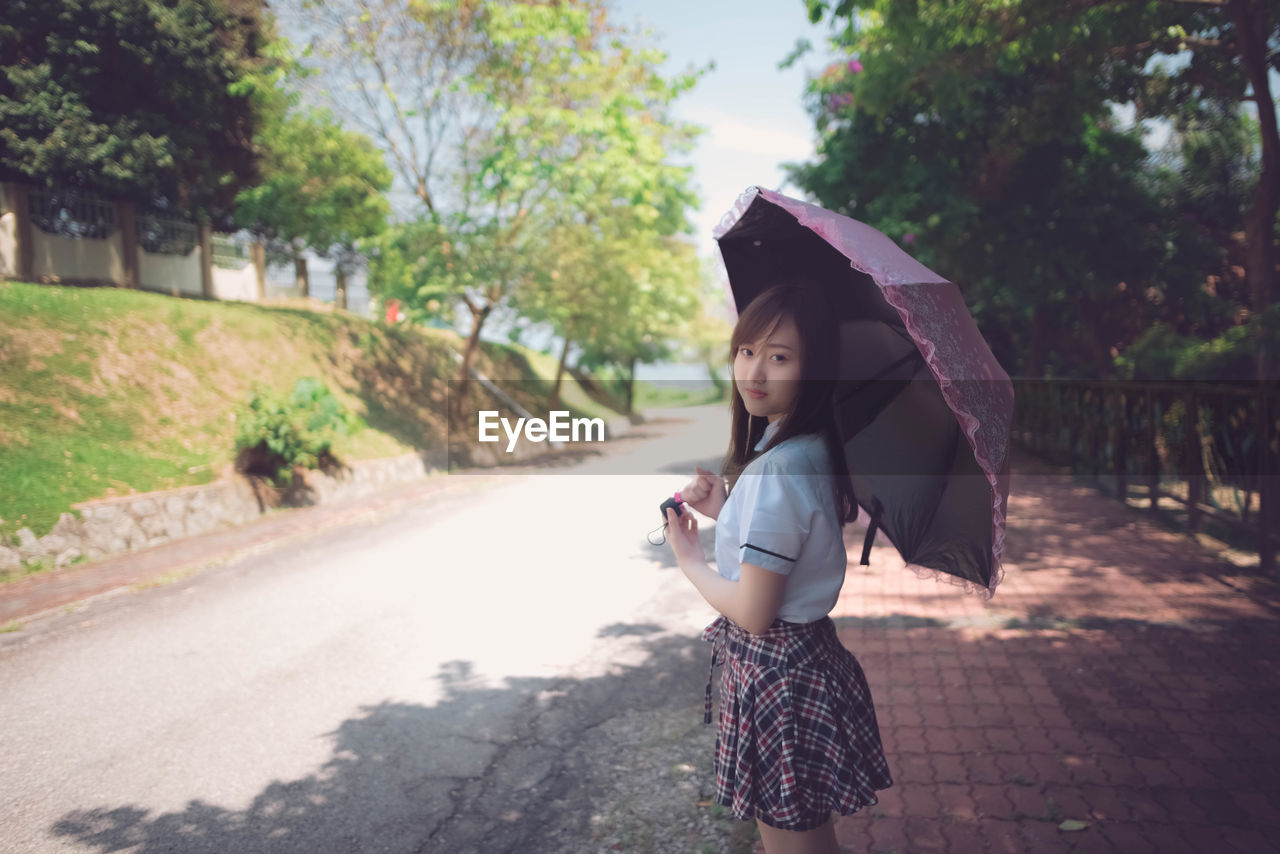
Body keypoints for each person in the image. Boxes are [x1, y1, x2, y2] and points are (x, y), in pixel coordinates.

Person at [662, 282, 892, 854]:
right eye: (746, 350)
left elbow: (755, 612)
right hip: (805, 665)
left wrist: (688, 560)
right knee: (809, 841)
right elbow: (793, 539)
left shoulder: (777, 469)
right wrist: (725, 509)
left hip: (779, 682)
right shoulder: (804, 446)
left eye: (780, 356)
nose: (754, 371)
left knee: (794, 847)